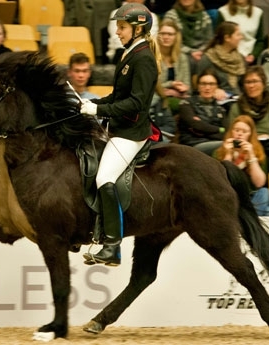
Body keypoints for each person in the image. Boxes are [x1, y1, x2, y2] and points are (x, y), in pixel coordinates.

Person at [79, 3, 159, 266]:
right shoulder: (128, 54)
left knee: (104, 178)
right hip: (118, 127)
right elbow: (118, 96)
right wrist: (89, 104)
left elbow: (137, 103)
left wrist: (99, 109)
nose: (117, 32)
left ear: (137, 29)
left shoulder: (144, 58)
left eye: (122, 27)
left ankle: (112, 245)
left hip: (132, 132)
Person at [214, 115, 269, 216]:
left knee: (264, 192)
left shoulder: (257, 153)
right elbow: (220, 181)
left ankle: (248, 219)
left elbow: (259, 183)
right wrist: (228, 155)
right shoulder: (219, 152)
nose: (239, 134)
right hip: (229, 196)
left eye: (244, 132)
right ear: (231, 131)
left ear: (250, 135)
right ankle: (251, 220)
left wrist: (251, 157)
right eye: (237, 130)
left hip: (250, 197)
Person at [178, 69, 227, 155]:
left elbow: (226, 131)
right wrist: (219, 129)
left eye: (211, 84)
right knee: (228, 145)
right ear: (198, 86)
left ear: (217, 87)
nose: (207, 88)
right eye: (203, 84)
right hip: (193, 145)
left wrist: (203, 129)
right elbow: (196, 126)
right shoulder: (186, 104)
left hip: (215, 143)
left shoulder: (220, 108)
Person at [227, 66, 269, 138]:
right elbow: (231, 134)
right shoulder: (236, 107)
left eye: (255, 81)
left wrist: (268, 139)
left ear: (264, 84)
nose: (251, 86)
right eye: (247, 82)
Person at [197, 21, 246, 102]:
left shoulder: (240, 59)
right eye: (238, 34)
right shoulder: (208, 58)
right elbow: (200, 85)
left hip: (239, 99)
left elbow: (243, 84)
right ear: (227, 38)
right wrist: (214, 90)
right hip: (217, 101)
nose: (241, 37)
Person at [164, 0, 214, 70]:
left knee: (207, 60)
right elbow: (170, 39)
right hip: (179, 51)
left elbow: (209, 40)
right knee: (187, 61)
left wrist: (200, 52)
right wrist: (191, 52)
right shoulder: (171, 15)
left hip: (201, 53)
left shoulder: (204, 16)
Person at [157, 18, 191, 113]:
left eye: (170, 34)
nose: (166, 37)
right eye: (163, 33)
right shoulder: (151, 56)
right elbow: (150, 86)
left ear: (176, 37)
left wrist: (183, 89)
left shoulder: (182, 57)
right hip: (156, 98)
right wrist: (171, 85)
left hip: (180, 97)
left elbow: (188, 86)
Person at [217, 0, 265, 64]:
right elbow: (219, 39)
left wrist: (253, 55)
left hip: (250, 60)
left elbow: (260, 40)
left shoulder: (258, 12)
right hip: (228, 59)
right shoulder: (223, 12)